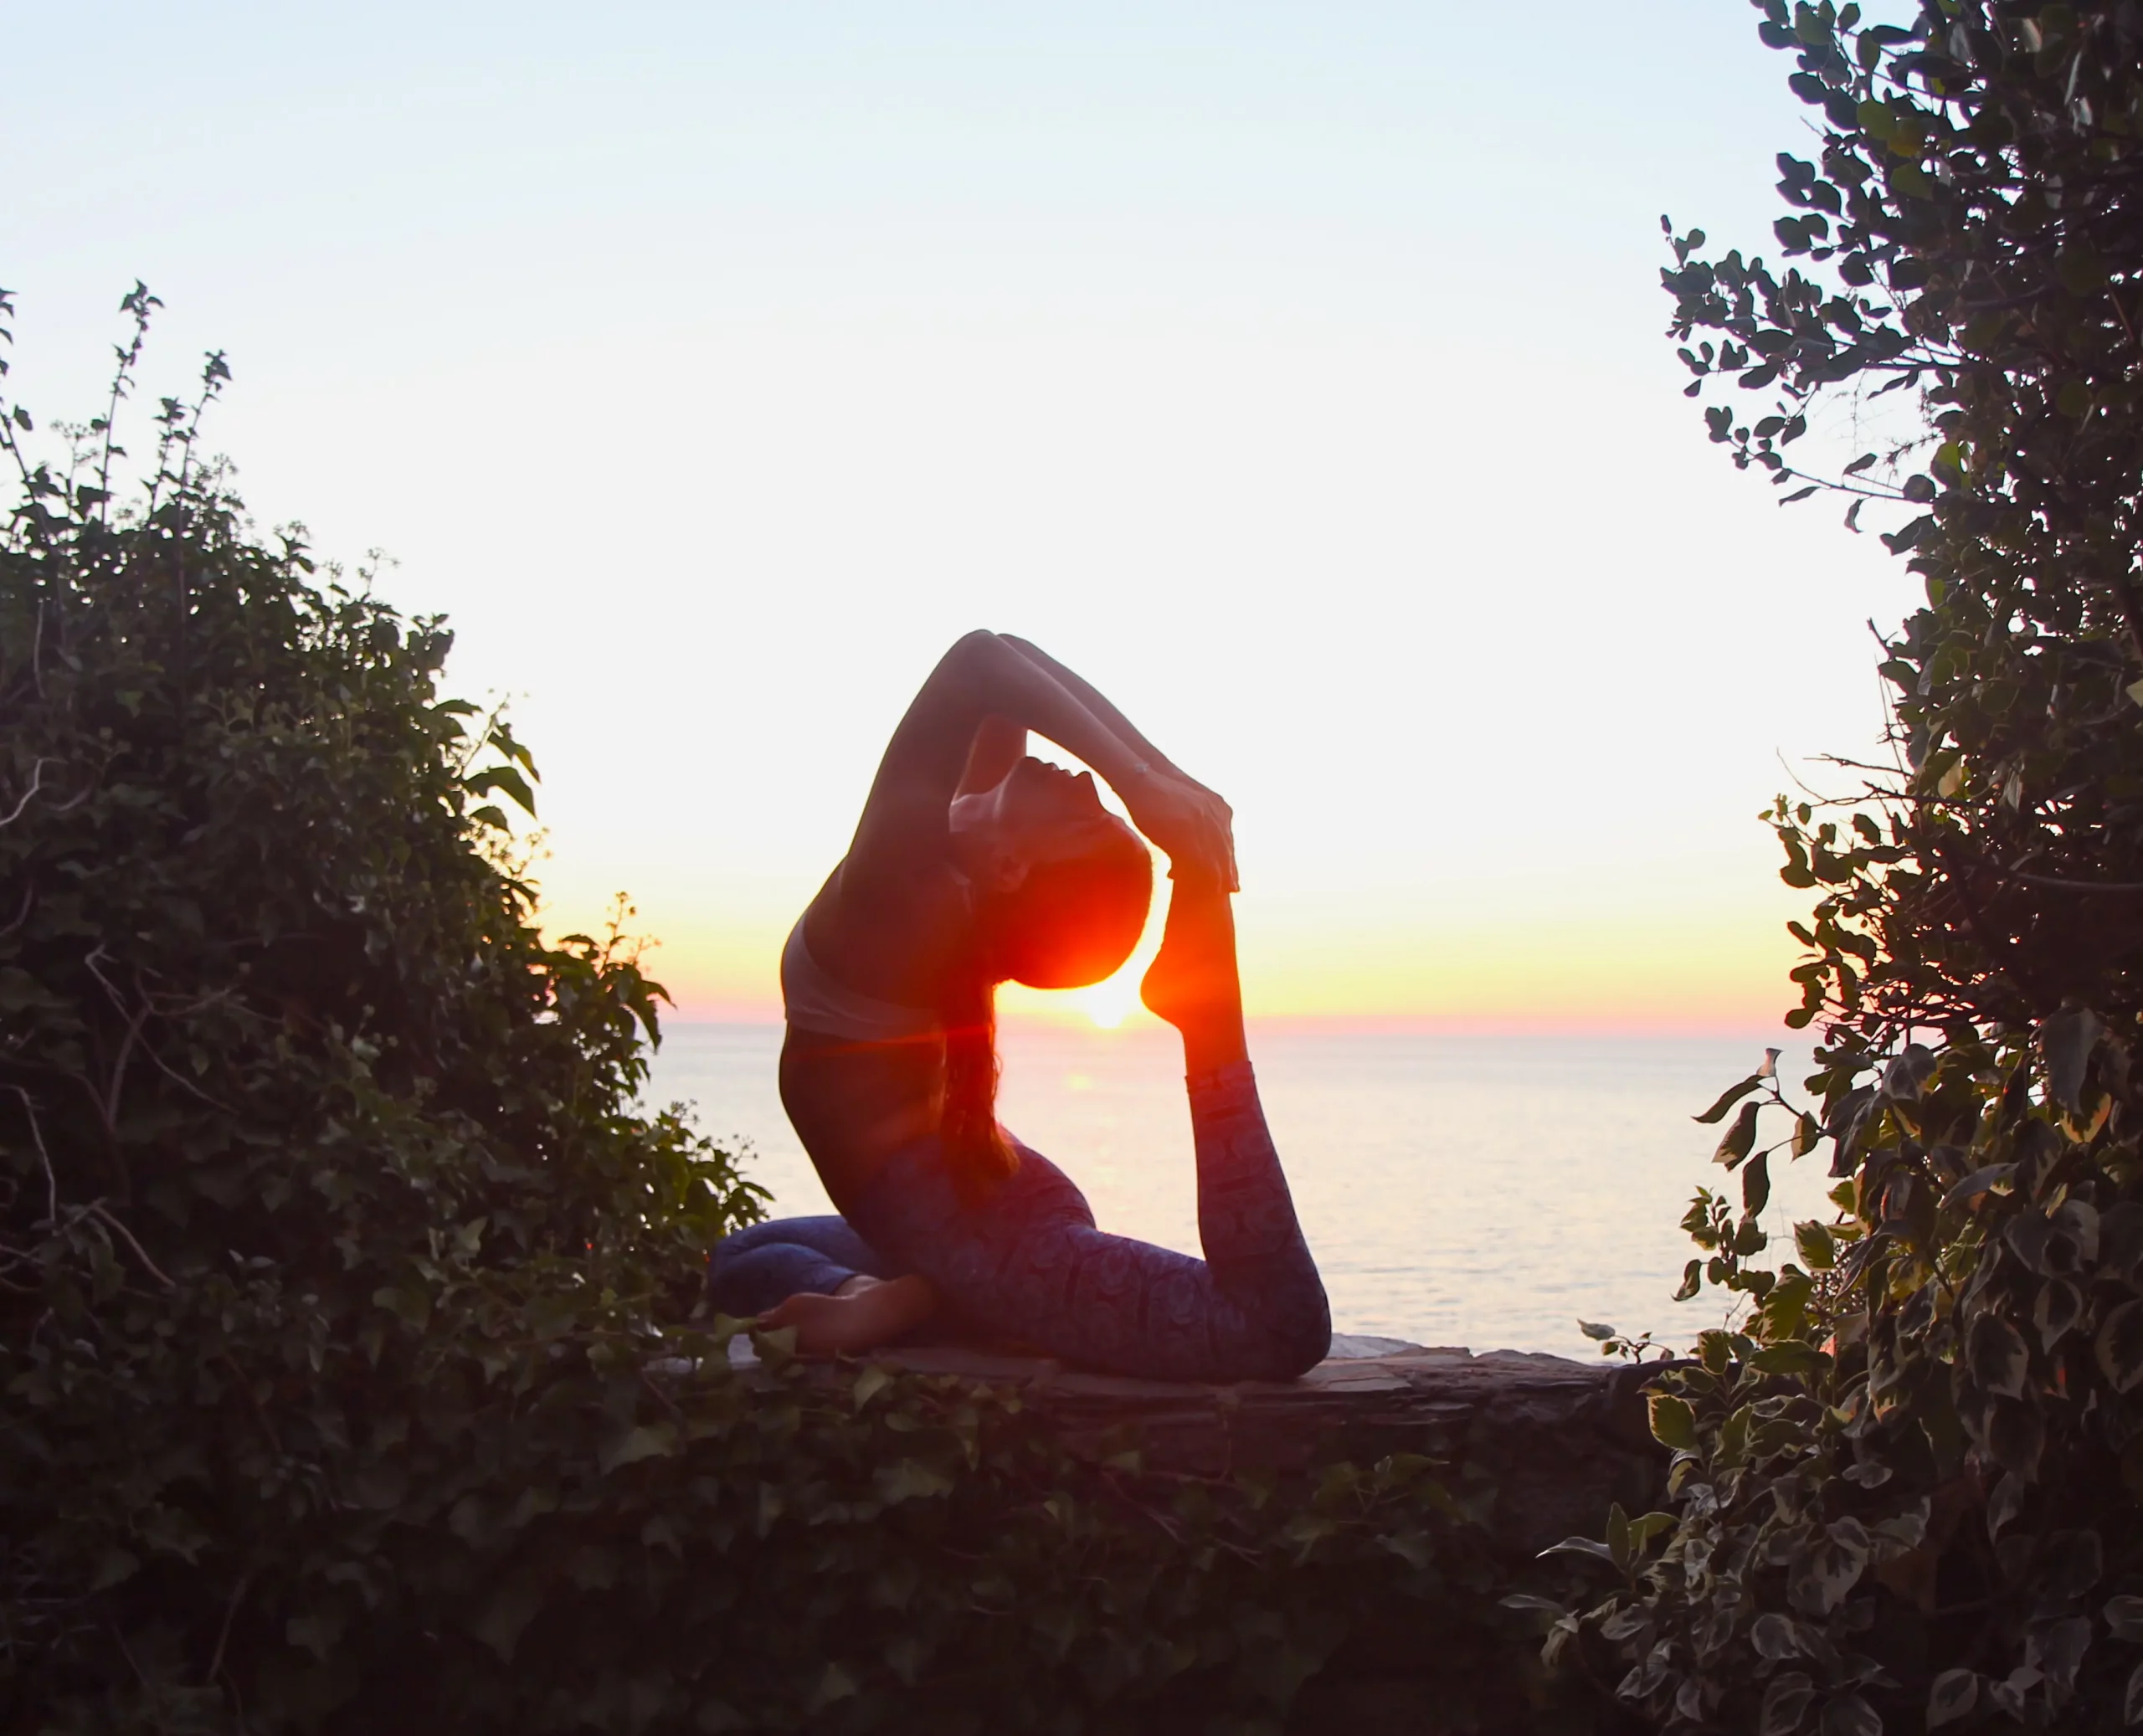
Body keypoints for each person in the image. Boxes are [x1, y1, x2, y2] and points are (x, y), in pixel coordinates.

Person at [704, 631, 1330, 1383]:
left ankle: (1209, 1020)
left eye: (1086, 819)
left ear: (1010, 868)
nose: (1088, 788)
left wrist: (1146, 788)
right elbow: (1002, 653)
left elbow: (978, 665)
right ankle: (900, 1295)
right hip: (967, 1215)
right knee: (741, 1259)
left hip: (981, 1229)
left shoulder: (905, 886)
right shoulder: (956, 842)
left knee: (1274, 1325)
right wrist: (1167, 780)